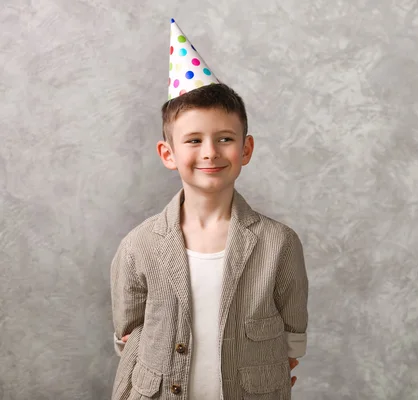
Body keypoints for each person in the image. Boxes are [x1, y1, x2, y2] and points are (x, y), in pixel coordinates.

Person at [110, 19, 309, 400]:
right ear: (168, 154)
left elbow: (292, 336)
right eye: (194, 140)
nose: (210, 152)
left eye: (225, 139)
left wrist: (269, 371)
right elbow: (129, 336)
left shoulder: (278, 243)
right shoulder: (139, 245)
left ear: (245, 149)